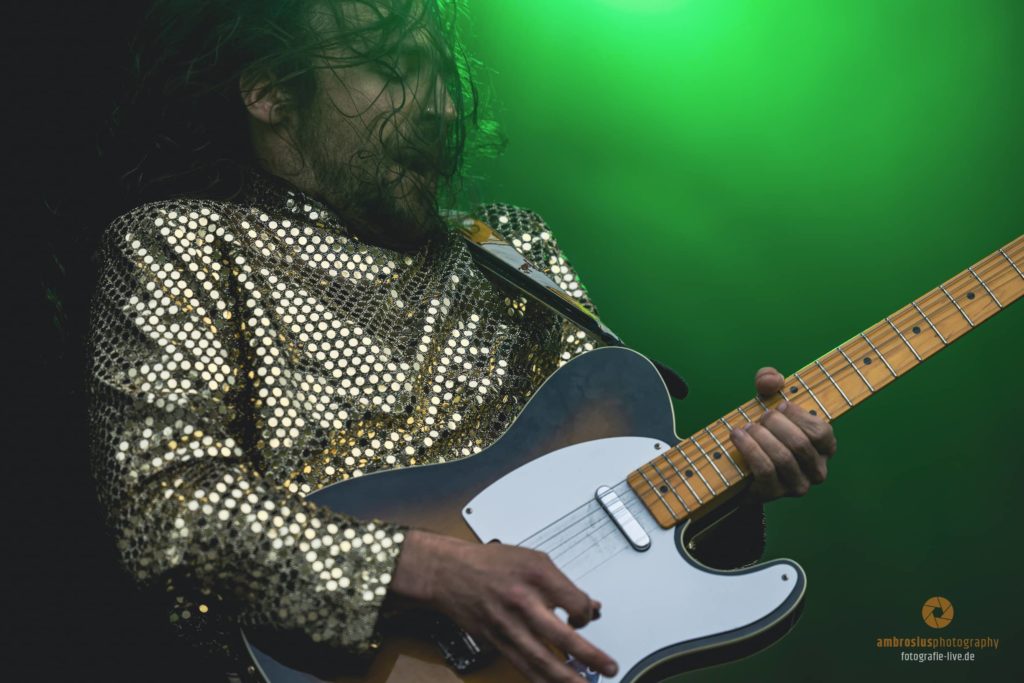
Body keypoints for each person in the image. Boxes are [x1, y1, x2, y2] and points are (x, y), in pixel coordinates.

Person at [87, 1, 838, 681]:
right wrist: (431, 572)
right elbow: (165, 510)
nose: (443, 107)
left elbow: (617, 516)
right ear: (271, 93)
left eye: (444, 75)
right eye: (394, 69)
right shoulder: (182, 242)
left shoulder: (510, 246)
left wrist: (741, 485)